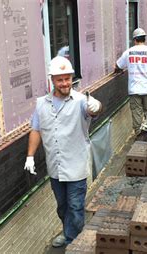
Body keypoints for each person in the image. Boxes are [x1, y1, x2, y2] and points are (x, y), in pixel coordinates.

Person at [23, 56, 102, 247]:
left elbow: (94, 110)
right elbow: (36, 129)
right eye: (60, 79)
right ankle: (69, 233)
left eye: (68, 78)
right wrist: (30, 156)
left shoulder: (81, 101)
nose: (65, 83)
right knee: (62, 206)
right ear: (53, 81)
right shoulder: (42, 104)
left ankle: (75, 243)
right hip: (55, 166)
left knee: (75, 207)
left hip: (75, 166)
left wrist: (96, 106)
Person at [114, 28, 147, 138]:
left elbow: (117, 66)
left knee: (137, 115)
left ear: (134, 39)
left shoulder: (128, 53)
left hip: (134, 90)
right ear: (144, 39)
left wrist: (118, 70)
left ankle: (139, 138)